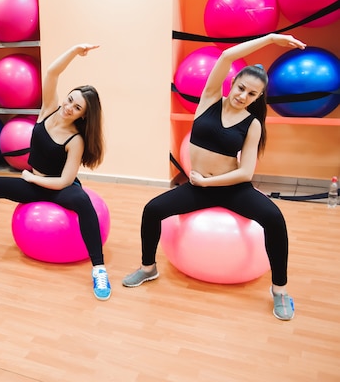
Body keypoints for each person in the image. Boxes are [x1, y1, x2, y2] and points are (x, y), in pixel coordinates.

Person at [122, 33, 307, 320]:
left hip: (230, 188)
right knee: (152, 210)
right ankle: (149, 268)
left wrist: (208, 182)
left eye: (251, 94)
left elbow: (245, 172)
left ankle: (280, 291)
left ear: (258, 98)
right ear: (232, 83)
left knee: (274, 219)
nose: (242, 96)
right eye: (241, 88)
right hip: (199, 187)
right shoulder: (209, 100)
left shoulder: (253, 124)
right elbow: (226, 56)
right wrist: (270, 38)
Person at [0, 44, 111, 300]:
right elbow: (52, 72)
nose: (69, 107)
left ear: (83, 116)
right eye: (70, 100)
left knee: (83, 202)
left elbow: (65, 180)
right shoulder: (49, 109)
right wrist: (74, 51)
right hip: (34, 185)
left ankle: (99, 269)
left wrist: (32, 177)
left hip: (58, 189)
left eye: (77, 108)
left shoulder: (76, 140)